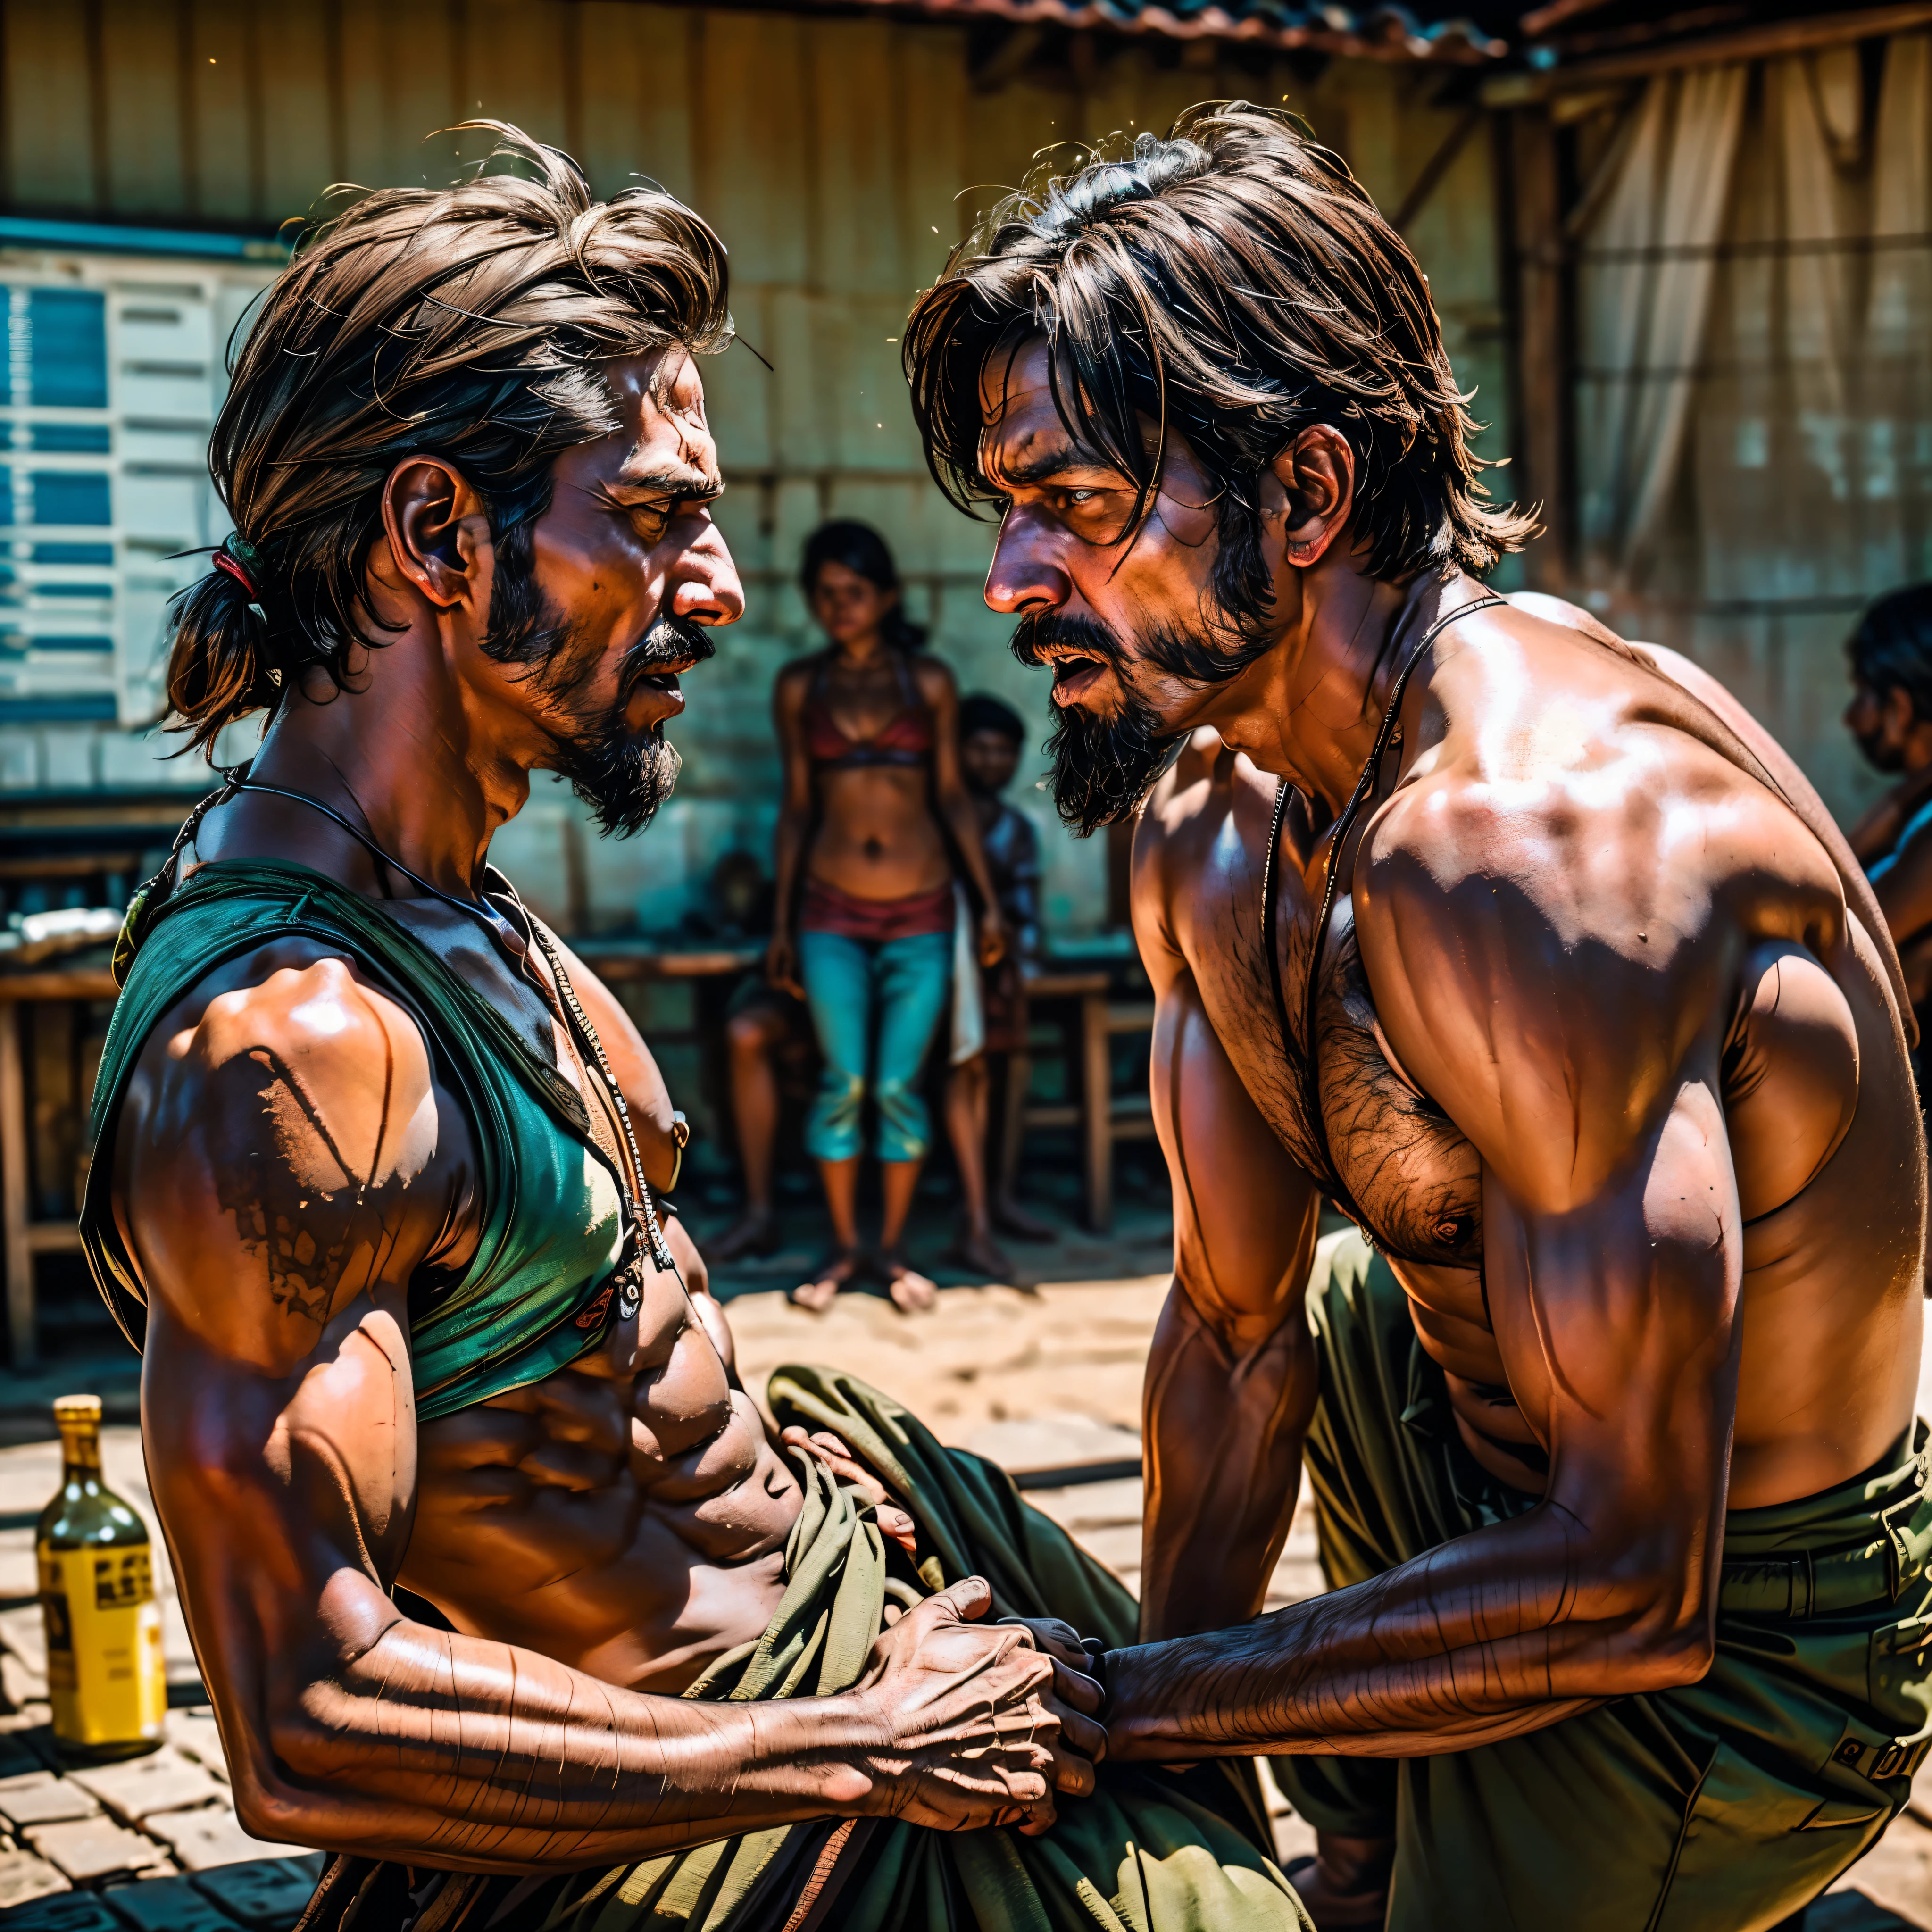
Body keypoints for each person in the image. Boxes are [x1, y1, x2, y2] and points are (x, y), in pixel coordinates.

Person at [79, 125, 1316, 1932]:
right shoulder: (292, 1054)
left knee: (1183, 1741)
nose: (720, 588)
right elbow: (303, 1719)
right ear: (435, 534)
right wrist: (860, 1742)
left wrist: (837, 1517)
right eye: (652, 518)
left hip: (812, 1653)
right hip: (716, 1791)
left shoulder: (459, 899)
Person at [904, 105, 1932, 1932]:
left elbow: (1630, 1582)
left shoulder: (1524, 858)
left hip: (1737, 1651)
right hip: (1474, 1469)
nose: (1007, 584)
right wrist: (1179, 1784)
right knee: (1343, 1296)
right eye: (1004, 514)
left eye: (1072, 505)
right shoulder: (1208, 818)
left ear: (1304, 497)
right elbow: (1228, 1333)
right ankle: (1364, 1832)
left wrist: (1101, 1706)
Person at [767, 523, 1008, 1311]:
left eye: (855, 594)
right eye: (826, 595)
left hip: (925, 914)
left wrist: (988, 900)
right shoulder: (802, 688)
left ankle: (895, 1252)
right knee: (845, 1081)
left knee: (900, 1086)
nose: (839, 608)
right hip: (828, 914)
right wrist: (779, 924)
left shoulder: (927, 683)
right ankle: (842, 1251)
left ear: (888, 598)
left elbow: (950, 801)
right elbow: (798, 809)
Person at [943, 692, 1057, 1267]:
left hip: (1000, 975)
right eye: (979, 749)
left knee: (1009, 1075)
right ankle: (968, 1204)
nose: (992, 762)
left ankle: (1001, 1195)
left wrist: (1026, 969)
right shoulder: (936, 820)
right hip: (942, 973)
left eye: (1004, 753)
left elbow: (1029, 913)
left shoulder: (1017, 829)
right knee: (962, 1078)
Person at [1845, 581, 1932, 1066]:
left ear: (1898, 707)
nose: (1851, 718)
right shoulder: (1914, 809)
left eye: (1862, 694)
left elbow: (1843, 943)